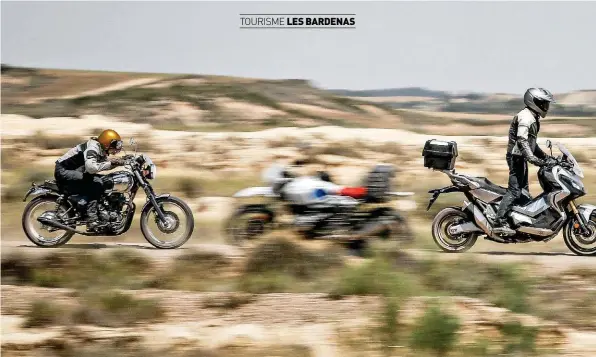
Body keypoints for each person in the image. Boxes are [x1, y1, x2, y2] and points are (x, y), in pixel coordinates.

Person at [493, 88, 557, 235]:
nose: (546, 107)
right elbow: (522, 141)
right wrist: (532, 158)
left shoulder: (533, 117)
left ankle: (518, 220)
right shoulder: (526, 117)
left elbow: (532, 144)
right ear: (534, 102)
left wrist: (547, 158)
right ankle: (499, 222)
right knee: (515, 190)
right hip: (516, 157)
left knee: (524, 191)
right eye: (544, 103)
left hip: (521, 157)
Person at [54, 129, 126, 231]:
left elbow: (102, 165)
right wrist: (112, 163)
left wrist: (123, 160)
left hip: (77, 170)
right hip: (64, 170)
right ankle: (91, 219)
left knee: (106, 181)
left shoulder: (100, 149)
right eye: (114, 144)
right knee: (96, 184)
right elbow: (91, 168)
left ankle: (101, 211)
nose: (116, 148)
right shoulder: (93, 148)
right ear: (106, 143)